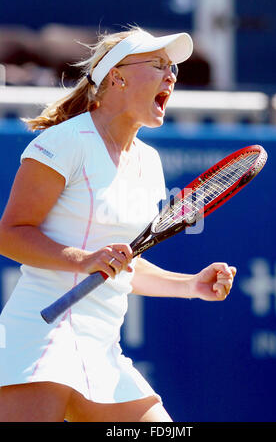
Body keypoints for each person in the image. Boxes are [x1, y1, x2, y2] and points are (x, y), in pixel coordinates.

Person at [0, 26, 236, 422]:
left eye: (173, 68)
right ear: (117, 76)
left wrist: (190, 285)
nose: (172, 75)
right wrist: (82, 259)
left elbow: (124, 262)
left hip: (103, 347)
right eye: (159, 65)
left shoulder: (149, 163)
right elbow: (9, 233)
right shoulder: (65, 141)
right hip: (40, 337)